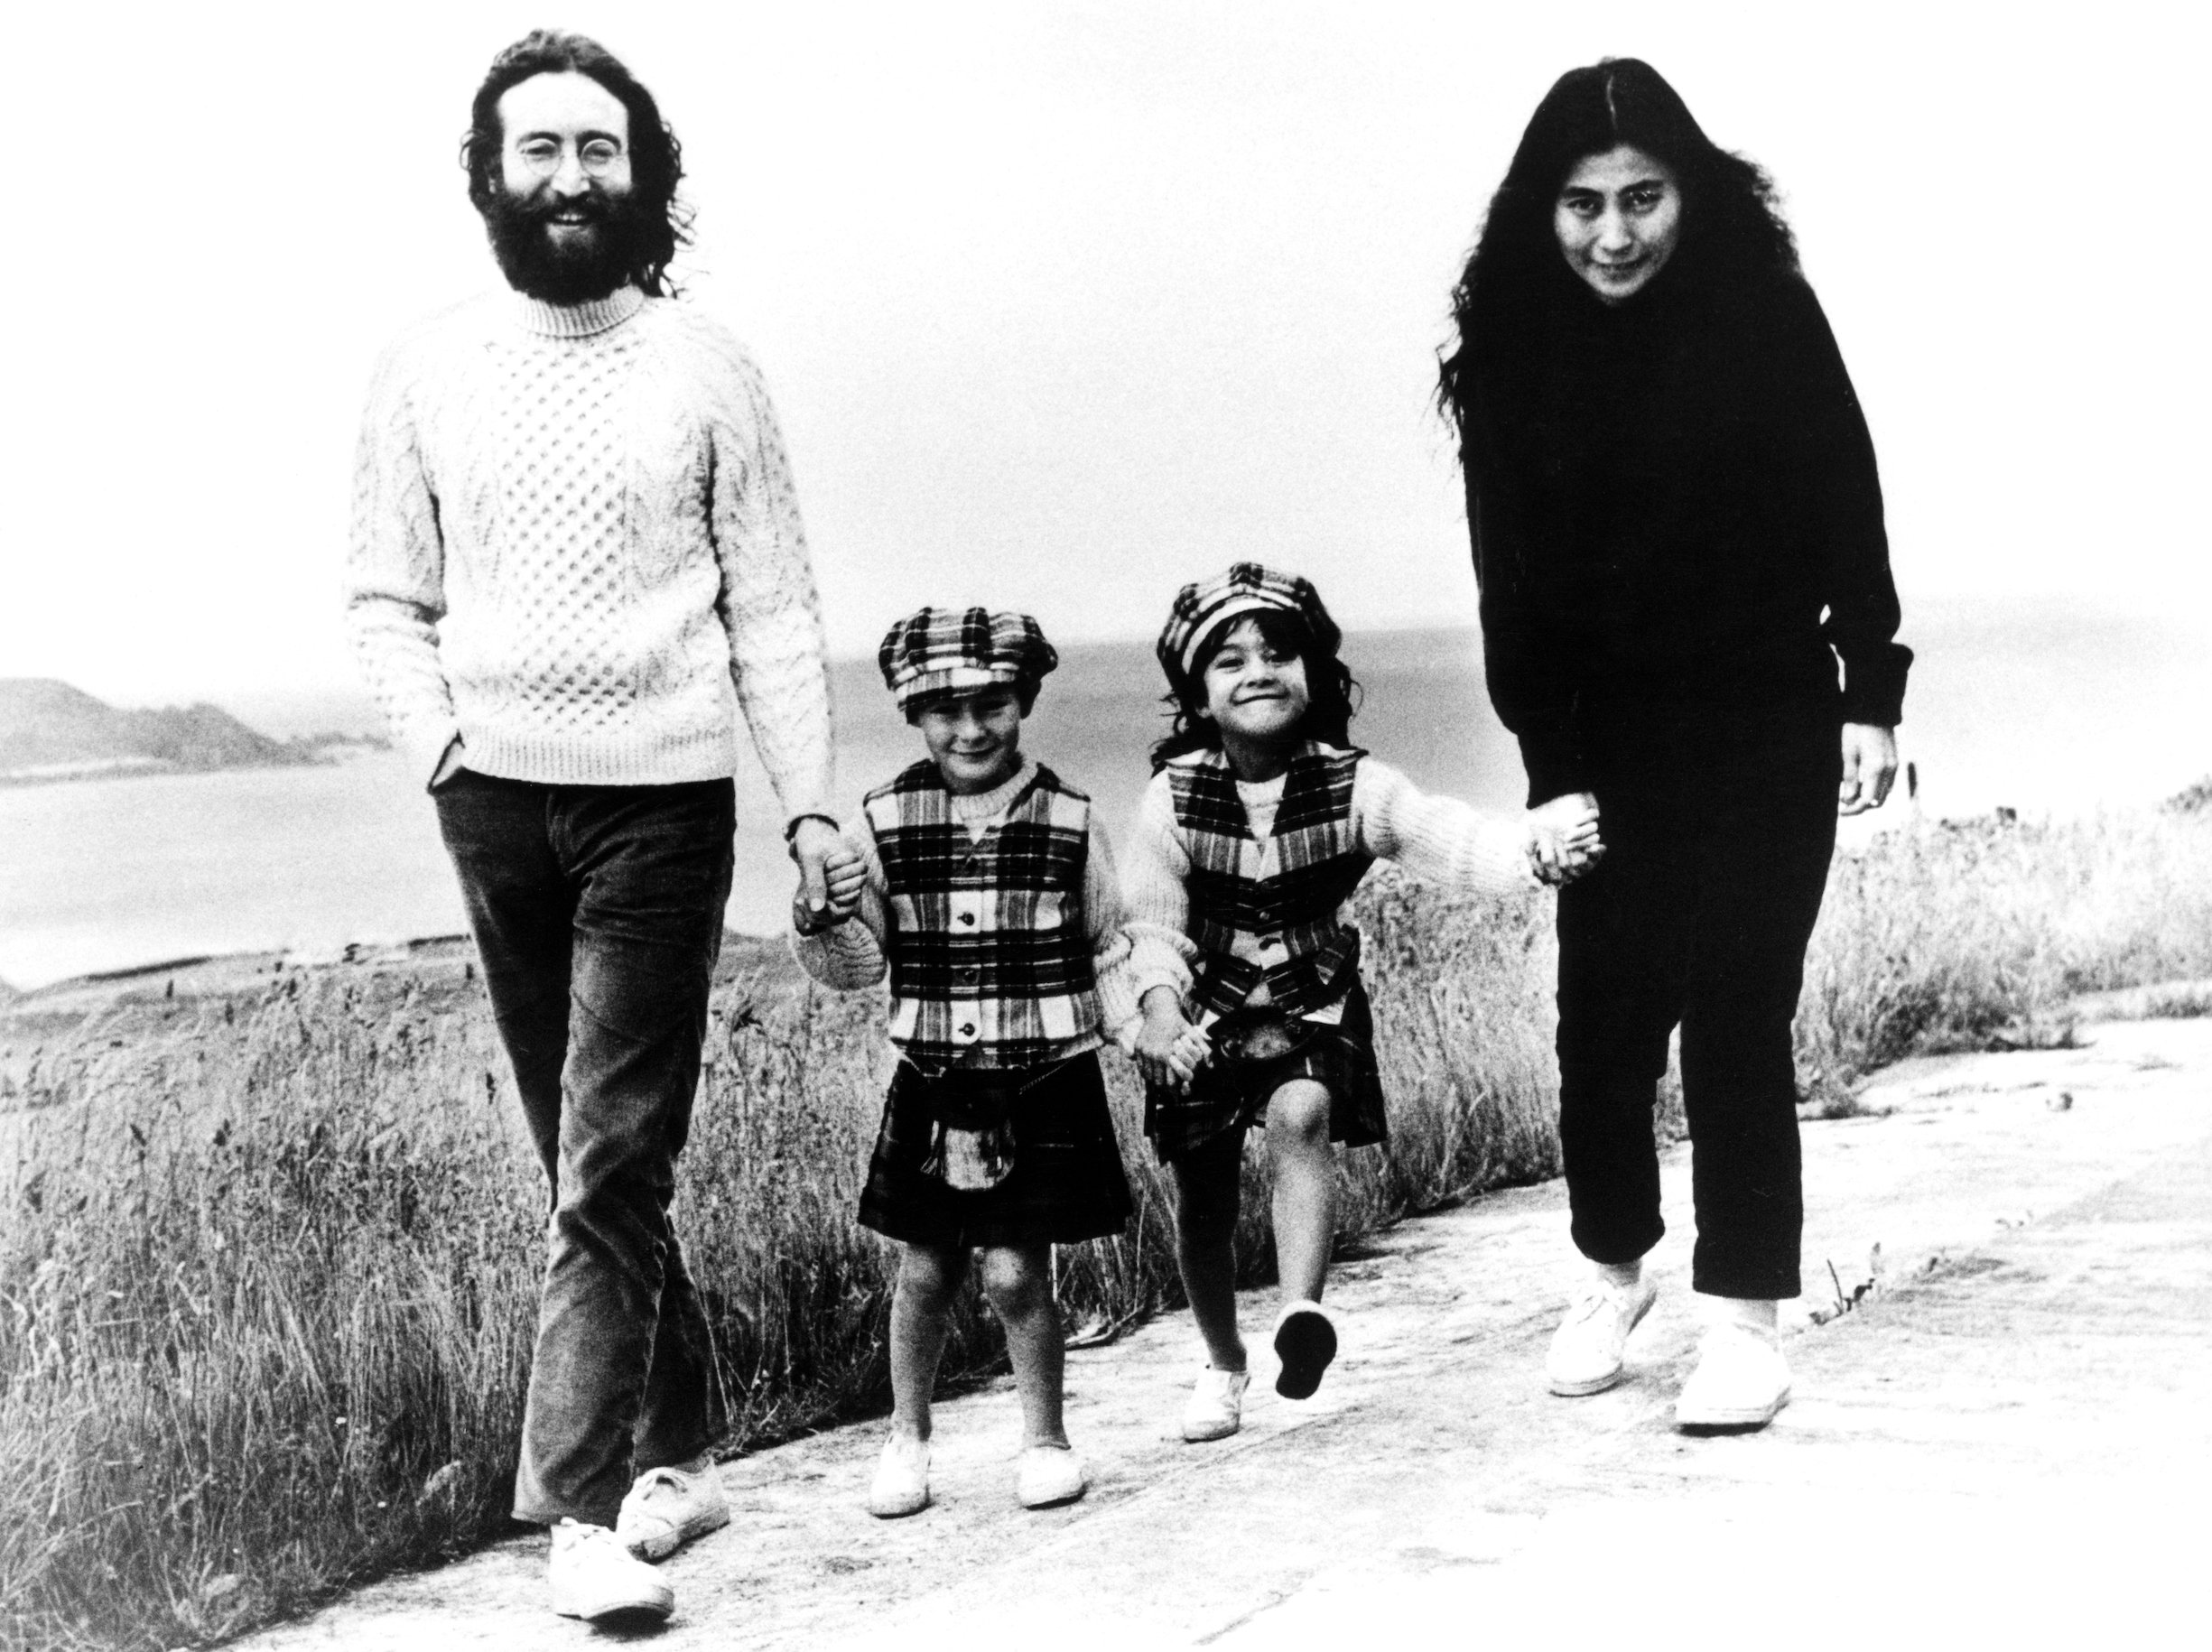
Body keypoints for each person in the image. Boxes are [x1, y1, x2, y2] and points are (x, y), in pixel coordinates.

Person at [344, 29, 843, 1623]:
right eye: (540, 149)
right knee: (587, 1159)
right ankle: (679, 1448)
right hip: (492, 800)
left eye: (600, 150)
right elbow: (382, 596)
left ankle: (569, 1513)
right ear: (490, 175)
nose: (571, 178)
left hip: (667, 799)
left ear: (647, 176)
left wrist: (812, 806)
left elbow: (772, 607)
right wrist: (440, 750)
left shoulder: (711, 370)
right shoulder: (425, 366)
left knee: (614, 1155)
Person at [1438, 59, 1910, 1431]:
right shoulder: (1506, 360)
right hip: (1602, 741)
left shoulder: (1767, 317)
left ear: (1687, 192)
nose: (1615, 232)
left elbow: (1847, 499)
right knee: (1600, 1023)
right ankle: (1610, 1265)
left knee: (1734, 1014)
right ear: (1541, 211)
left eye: (1643, 197)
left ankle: (1744, 1319)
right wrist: (1550, 769)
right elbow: (1504, 588)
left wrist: (1867, 690)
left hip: (1765, 714)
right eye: (1582, 203)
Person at [1120, 564, 1599, 1442]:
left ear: (1313, 672)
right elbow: (1149, 924)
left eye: (1277, 652)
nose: (1256, 671)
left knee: (1300, 1114)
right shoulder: (1171, 799)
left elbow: (1446, 841)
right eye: (1228, 660)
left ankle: (1300, 1315)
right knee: (1203, 1198)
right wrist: (1155, 1011)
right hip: (1197, 1016)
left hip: (1311, 1000)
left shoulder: (1355, 785)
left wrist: (1530, 853)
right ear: (1196, 693)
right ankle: (1221, 1362)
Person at [792, 608, 1141, 1518]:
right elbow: (856, 961)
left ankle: (1045, 1441)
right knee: (924, 1273)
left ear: (1023, 700)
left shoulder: (1069, 818)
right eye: (944, 709)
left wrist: (1143, 1031)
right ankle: (906, 1437)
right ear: (913, 713)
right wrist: (818, 913)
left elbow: (1105, 947)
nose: (970, 727)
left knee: (1016, 1274)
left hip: (1043, 1077)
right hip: (933, 1079)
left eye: (991, 704)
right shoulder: (880, 819)